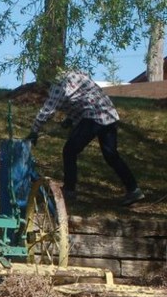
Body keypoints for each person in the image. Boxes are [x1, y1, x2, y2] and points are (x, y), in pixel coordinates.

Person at [21, 70, 144, 207]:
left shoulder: (58, 87)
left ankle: (69, 191)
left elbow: (47, 110)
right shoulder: (76, 75)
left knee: (69, 151)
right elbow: (82, 98)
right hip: (109, 114)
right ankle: (134, 189)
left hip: (93, 117)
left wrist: (34, 131)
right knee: (111, 155)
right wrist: (70, 119)